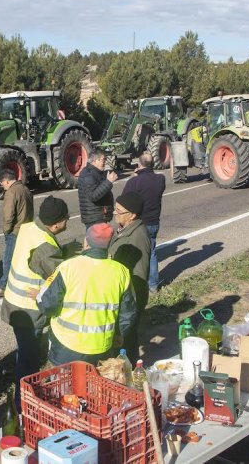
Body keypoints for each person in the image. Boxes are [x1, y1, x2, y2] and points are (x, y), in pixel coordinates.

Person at [0, 196, 74, 410]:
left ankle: (23, 400)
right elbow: (59, 278)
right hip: (29, 309)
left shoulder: (29, 227)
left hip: (14, 303)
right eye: (66, 219)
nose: (67, 222)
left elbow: (33, 260)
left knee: (24, 354)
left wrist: (64, 251)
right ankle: (23, 405)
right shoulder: (45, 247)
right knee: (29, 361)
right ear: (57, 223)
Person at [37, 223, 137, 366]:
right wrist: (119, 334)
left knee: (64, 380)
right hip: (102, 347)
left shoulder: (67, 267)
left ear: (86, 242)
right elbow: (128, 313)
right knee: (96, 380)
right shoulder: (122, 272)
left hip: (65, 346)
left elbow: (47, 304)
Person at [108, 192, 152, 362]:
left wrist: (129, 301)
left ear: (132, 215)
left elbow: (139, 276)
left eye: (119, 211)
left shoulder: (137, 237)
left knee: (127, 337)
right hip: (121, 293)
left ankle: (130, 368)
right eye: (115, 209)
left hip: (130, 297)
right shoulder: (124, 230)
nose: (114, 213)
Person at [122, 153, 166, 293]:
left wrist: (134, 177)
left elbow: (124, 200)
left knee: (135, 253)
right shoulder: (160, 179)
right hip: (154, 221)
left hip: (139, 223)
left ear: (139, 164)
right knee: (152, 252)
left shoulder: (134, 182)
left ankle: (136, 284)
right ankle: (153, 285)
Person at [0, 168, 34, 298]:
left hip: (15, 231)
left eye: (2, 184)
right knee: (24, 259)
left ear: (6, 181)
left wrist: (6, 231)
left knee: (8, 260)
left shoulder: (11, 192)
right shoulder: (25, 189)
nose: (3, 187)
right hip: (27, 229)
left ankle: (4, 286)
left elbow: (8, 215)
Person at [77, 151, 118, 228]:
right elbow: (93, 196)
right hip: (95, 218)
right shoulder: (89, 175)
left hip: (98, 216)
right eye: (103, 159)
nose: (105, 162)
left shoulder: (96, 172)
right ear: (95, 160)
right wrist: (108, 182)